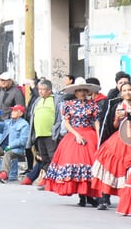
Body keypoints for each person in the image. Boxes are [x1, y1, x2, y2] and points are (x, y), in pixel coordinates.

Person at [42, 77, 101, 206]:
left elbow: (96, 122)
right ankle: (81, 195)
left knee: (90, 165)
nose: (82, 93)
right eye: (79, 90)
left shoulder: (93, 105)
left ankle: (89, 194)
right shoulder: (69, 105)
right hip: (74, 135)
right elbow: (67, 123)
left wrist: (99, 138)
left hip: (89, 134)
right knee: (76, 164)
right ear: (75, 92)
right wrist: (76, 134)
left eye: (84, 90)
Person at [90, 81, 131, 209]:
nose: (127, 92)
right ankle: (104, 198)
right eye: (124, 90)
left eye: (129, 90)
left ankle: (128, 199)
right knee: (110, 165)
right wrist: (116, 118)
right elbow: (114, 126)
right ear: (121, 93)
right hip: (119, 139)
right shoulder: (117, 105)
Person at [23, 78, 63, 185]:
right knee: (44, 158)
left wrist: (56, 129)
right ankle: (47, 177)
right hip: (39, 133)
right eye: (39, 89)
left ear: (49, 90)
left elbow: (60, 116)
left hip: (51, 134)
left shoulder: (56, 100)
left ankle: (54, 178)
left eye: (43, 89)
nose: (40, 91)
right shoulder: (37, 100)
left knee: (53, 156)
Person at [0, 105, 31, 183]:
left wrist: (10, 146)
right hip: (4, 147)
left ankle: (4, 174)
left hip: (16, 150)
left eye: (15, 111)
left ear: (21, 113)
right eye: (12, 111)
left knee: (8, 154)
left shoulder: (24, 124)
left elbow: (23, 140)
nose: (12, 112)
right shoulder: (8, 122)